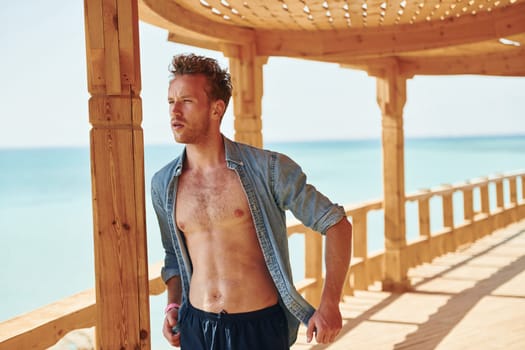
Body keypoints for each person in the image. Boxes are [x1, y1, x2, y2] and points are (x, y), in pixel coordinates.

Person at [151, 53, 353, 350]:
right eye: (171, 102)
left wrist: (330, 304)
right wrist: (172, 306)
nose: (175, 111)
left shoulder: (268, 170)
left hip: (257, 329)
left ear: (216, 109)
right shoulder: (163, 183)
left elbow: (336, 224)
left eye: (187, 101)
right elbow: (173, 254)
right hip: (196, 327)